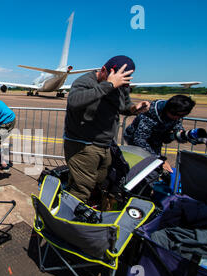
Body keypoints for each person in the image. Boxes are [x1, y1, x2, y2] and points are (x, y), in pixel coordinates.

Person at [63, 55, 151, 204]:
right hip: (83, 144)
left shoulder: (120, 85)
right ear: (103, 70)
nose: (120, 85)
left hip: (105, 144)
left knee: (100, 180)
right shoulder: (85, 81)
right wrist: (109, 85)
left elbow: (123, 105)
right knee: (82, 188)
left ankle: (83, 208)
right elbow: (74, 101)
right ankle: (65, 220)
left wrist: (134, 109)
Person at [124, 95, 196, 173]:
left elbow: (176, 123)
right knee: (142, 168)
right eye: (178, 115)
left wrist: (181, 133)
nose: (178, 118)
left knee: (154, 168)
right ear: (169, 110)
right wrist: (158, 160)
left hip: (155, 140)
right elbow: (139, 140)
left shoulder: (174, 112)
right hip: (136, 141)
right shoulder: (149, 115)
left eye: (182, 116)